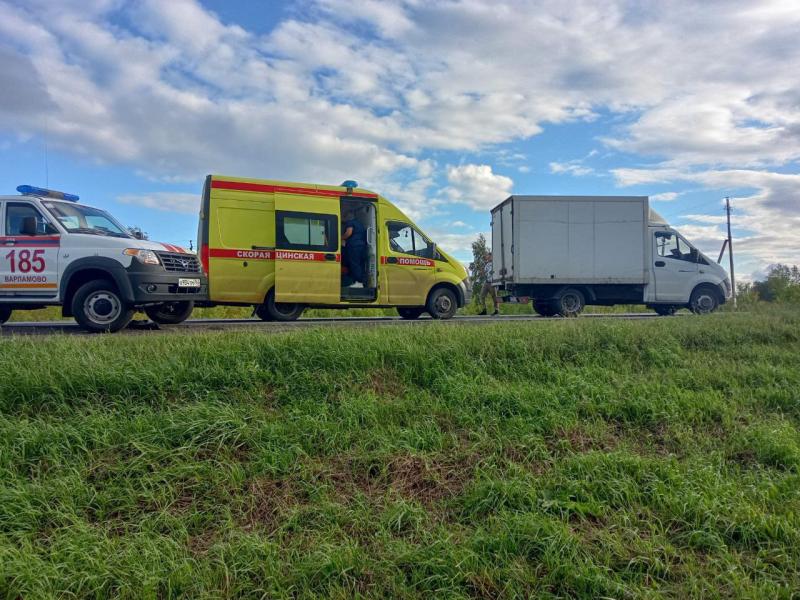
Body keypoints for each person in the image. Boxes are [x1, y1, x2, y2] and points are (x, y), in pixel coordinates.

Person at [342, 209, 367, 288]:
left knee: (354, 264)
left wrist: (340, 237)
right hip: (361, 246)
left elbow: (349, 233)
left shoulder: (350, 222)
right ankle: (358, 281)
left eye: (345, 215)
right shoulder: (359, 223)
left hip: (354, 246)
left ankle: (358, 282)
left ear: (349, 215)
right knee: (359, 264)